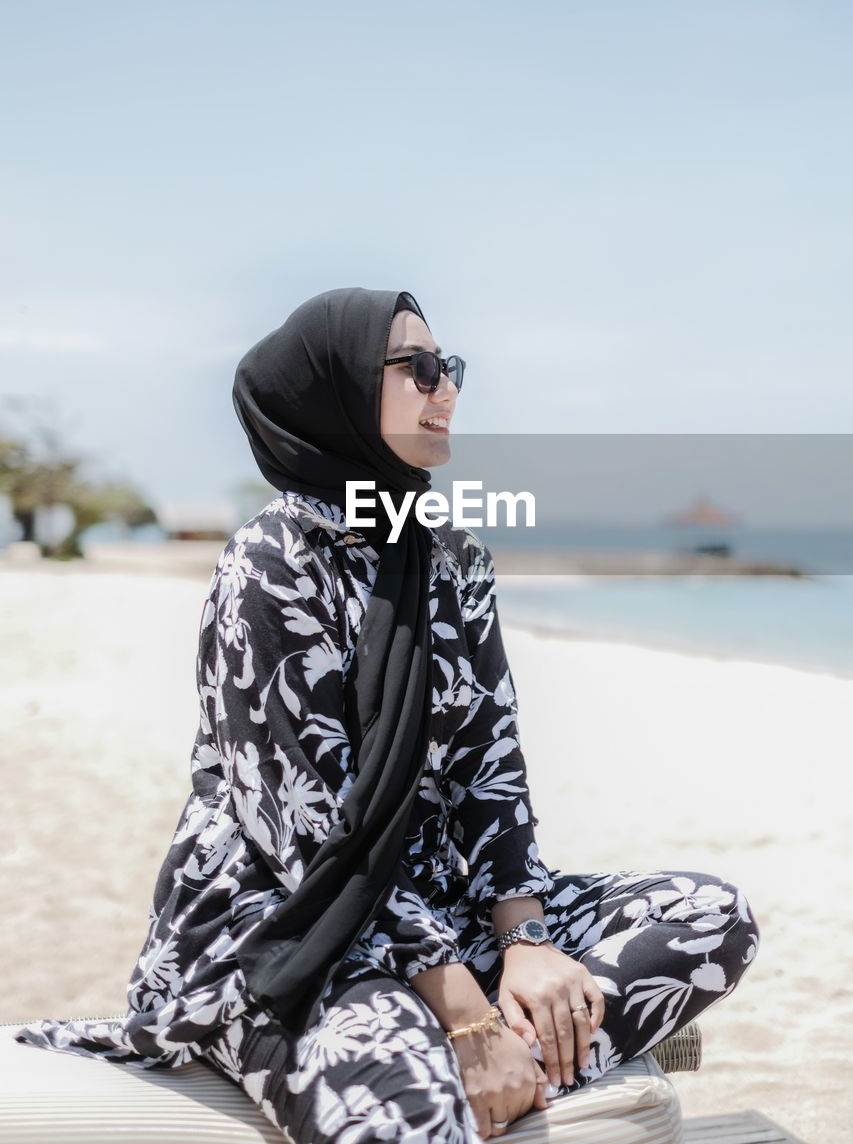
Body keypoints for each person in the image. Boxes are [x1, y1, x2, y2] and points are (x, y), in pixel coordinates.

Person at [14, 287, 760, 1143]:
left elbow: (492, 767)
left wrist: (525, 942)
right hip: (294, 926)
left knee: (707, 916)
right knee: (404, 1110)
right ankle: (462, 1067)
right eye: (419, 369)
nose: (446, 389)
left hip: (442, 907)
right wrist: (464, 1012)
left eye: (452, 369)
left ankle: (495, 1065)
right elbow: (308, 837)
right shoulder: (270, 567)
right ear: (332, 395)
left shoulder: (450, 557)